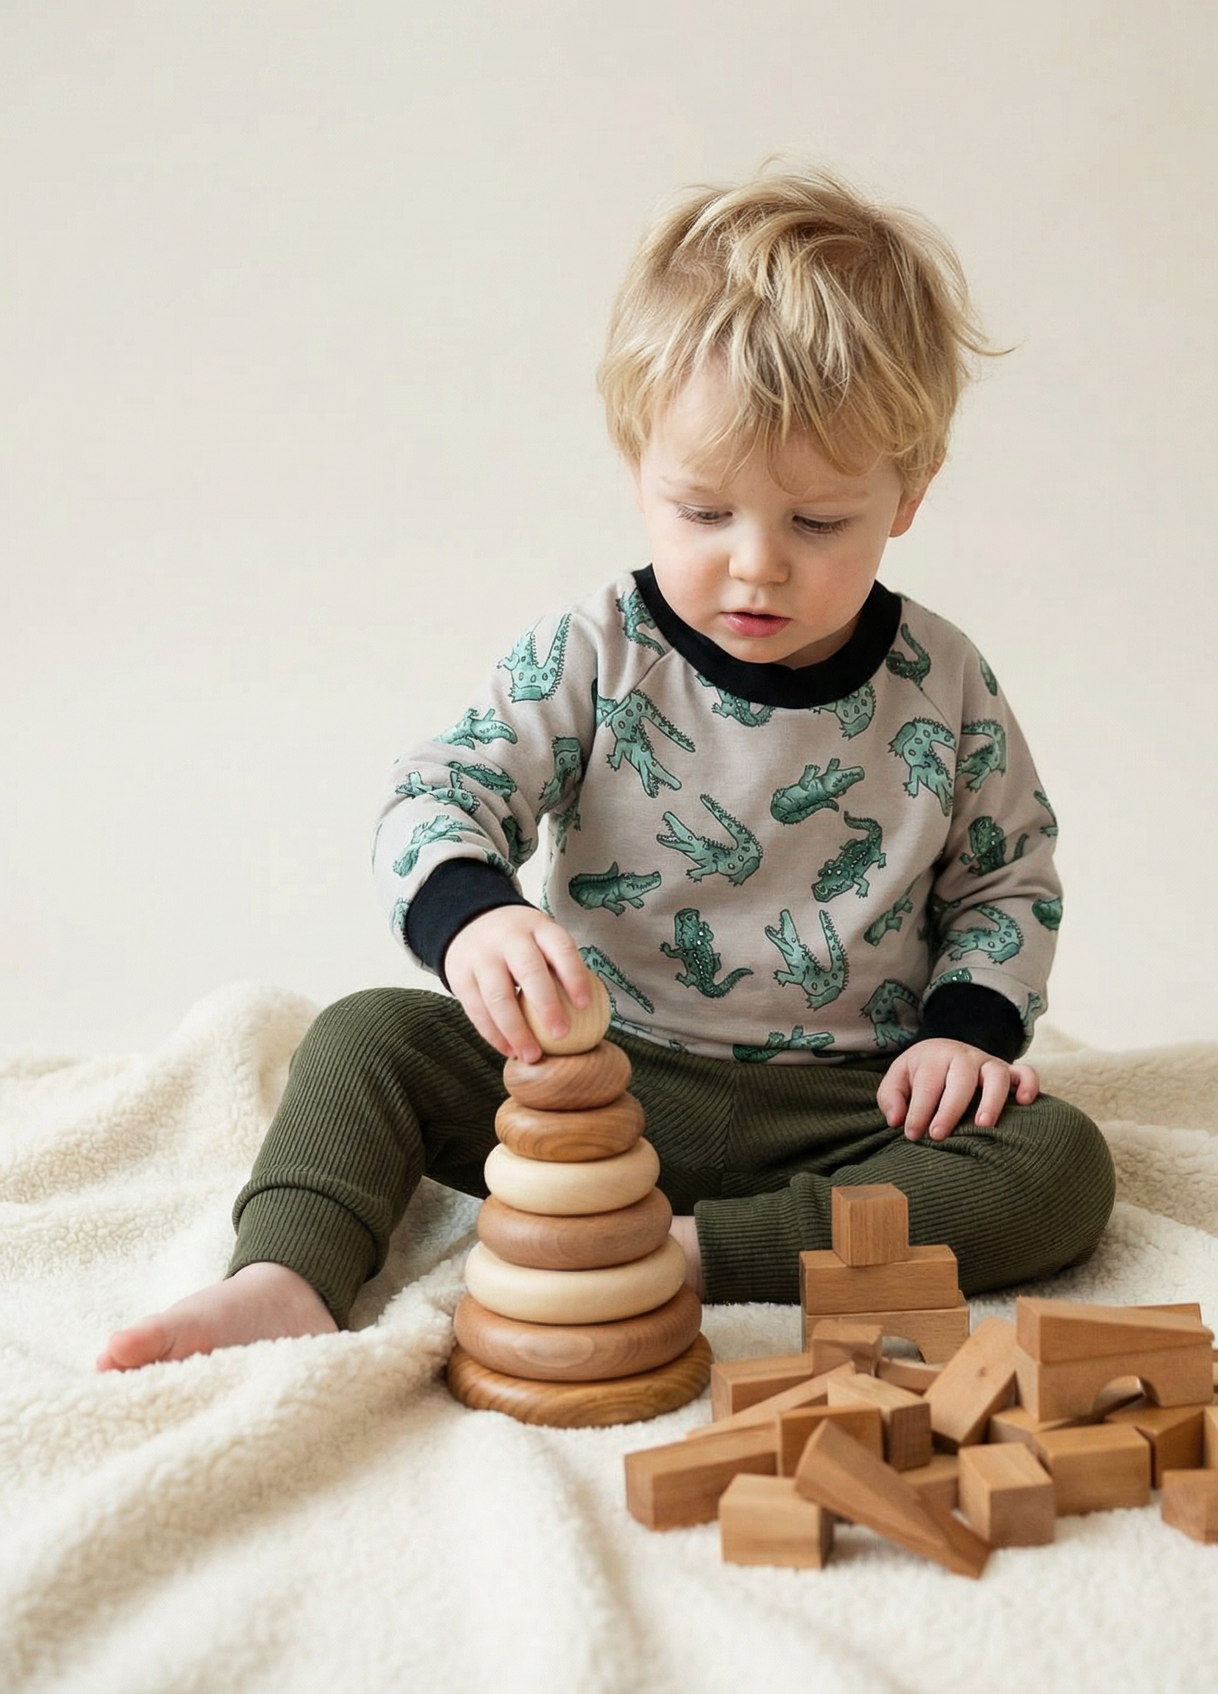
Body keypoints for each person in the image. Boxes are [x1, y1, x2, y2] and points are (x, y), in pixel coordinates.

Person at [98, 165, 1114, 1371]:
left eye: (816, 522)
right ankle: (286, 1273)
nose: (755, 565)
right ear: (637, 467)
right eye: (703, 512)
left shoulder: (943, 682)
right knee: (364, 1038)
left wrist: (963, 1036)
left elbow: (1007, 880)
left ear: (909, 494)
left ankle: (693, 1254)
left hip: (848, 1111)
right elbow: (437, 795)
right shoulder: (591, 654)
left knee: (1058, 1166)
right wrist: (474, 920)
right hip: (587, 1082)